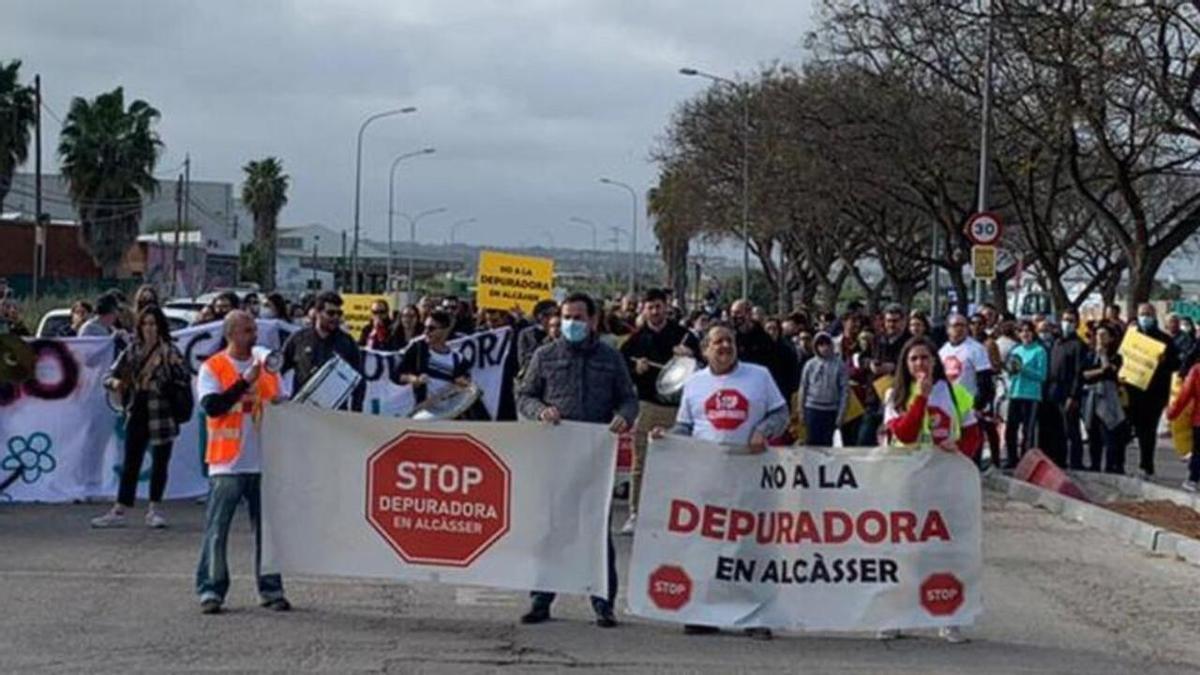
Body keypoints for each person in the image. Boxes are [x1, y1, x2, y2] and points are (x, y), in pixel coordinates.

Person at [649, 322, 787, 641]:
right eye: (717, 342)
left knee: (750, 547)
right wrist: (667, 437)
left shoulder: (759, 376)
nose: (724, 347)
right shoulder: (695, 383)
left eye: (729, 341)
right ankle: (703, 613)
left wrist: (763, 431)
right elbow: (686, 426)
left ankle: (756, 616)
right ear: (705, 350)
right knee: (705, 547)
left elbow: (780, 414)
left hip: (750, 475)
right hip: (706, 478)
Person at [516, 292, 638, 629]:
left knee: (597, 531)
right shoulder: (544, 355)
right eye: (567, 317)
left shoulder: (610, 358)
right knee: (552, 528)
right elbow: (524, 395)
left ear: (593, 320)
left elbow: (629, 399)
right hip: (556, 454)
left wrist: (623, 418)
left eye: (578, 317)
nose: (572, 323)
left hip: (595, 456)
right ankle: (541, 600)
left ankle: (603, 603)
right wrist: (541, 410)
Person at [881, 335, 979, 645]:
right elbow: (906, 434)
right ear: (905, 365)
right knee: (903, 552)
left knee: (943, 552)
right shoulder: (895, 395)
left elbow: (974, 433)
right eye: (914, 359)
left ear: (935, 361)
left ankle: (947, 617)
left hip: (943, 484)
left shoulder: (956, 393)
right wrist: (919, 398)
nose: (920, 364)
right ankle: (895, 616)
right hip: (905, 483)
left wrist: (959, 445)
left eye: (925, 358)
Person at [194, 310, 290, 614]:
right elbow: (213, 407)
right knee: (217, 529)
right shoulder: (214, 367)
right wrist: (242, 381)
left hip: (264, 461)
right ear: (230, 334)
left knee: (267, 532)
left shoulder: (267, 368)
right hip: (228, 464)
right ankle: (211, 589)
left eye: (254, 330)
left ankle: (271, 589)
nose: (254, 336)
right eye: (247, 331)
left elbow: (282, 403)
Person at [90, 306, 188, 529]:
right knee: (131, 461)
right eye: (145, 324)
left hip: (163, 410)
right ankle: (120, 508)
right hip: (138, 408)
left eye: (153, 324)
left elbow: (183, 378)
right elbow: (109, 376)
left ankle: (154, 508)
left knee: (160, 462)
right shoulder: (133, 350)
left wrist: (168, 380)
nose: (149, 328)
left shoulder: (170, 351)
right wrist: (117, 383)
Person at [618, 288, 697, 535]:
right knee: (641, 462)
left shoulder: (685, 336)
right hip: (647, 406)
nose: (655, 311)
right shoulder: (634, 341)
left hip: (680, 409)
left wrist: (691, 357)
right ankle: (636, 513)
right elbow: (621, 375)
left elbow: (705, 369)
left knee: (681, 463)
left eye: (659, 306)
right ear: (644, 309)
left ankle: (678, 514)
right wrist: (635, 372)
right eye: (650, 307)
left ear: (667, 307)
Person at [280, 291, 364, 411]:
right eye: (330, 313)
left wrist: (356, 410)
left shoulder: (347, 342)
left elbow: (359, 381)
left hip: (336, 413)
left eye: (339, 313)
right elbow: (278, 370)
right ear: (318, 313)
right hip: (303, 410)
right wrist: (279, 397)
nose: (336, 317)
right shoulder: (298, 339)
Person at [1125, 303, 1181, 478]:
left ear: (1154, 316)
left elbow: (1176, 364)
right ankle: (1124, 464)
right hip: (1133, 391)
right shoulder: (1131, 338)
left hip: (1154, 393)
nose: (1145, 317)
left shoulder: (1165, 340)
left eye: (1148, 314)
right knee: (1132, 429)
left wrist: (1164, 360)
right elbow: (1122, 360)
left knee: (1148, 431)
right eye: (1142, 314)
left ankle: (1146, 465)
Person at [730, 299, 799, 412]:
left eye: (738, 312)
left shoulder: (764, 340)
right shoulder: (732, 337)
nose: (734, 316)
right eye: (732, 313)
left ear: (748, 314)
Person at [394, 309, 471, 403]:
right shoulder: (418, 348)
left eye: (431, 328)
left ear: (445, 330)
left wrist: (462, 384)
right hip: (421, 411)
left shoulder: (458, 359)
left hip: (447, 413)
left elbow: (466, 386)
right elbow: (396, 374)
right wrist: (414, 379)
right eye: (425, 327)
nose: (426, 332)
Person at [1082, 325, 1127, 474]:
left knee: (1109, 431)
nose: (1100, 338)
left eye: (1104, 335)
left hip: (1108, 397)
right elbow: (1084, 375)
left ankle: (1111, 465)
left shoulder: (1116, 356)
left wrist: (1103, 356)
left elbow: (1110, 370)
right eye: (1098, 335)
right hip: (1091, 396)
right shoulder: (1088, 355)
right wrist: (1100, 371)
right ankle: (1095, 464)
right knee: (1093, 432)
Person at [1004, 321, 1048, 469]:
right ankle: (1011, 459)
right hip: (1015, 393)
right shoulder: (1016, 350)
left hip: (1031, 395)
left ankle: (1025, 461)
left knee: (1027, 431)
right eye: (1021, 331)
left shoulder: (1039, 351)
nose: (1025, 334)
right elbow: (1010, 371)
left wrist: (1023, 369)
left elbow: (1042, 376)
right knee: (1011, 429)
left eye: (1028, 331)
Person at [1048, 310, 1087, 469]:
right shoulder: (1057, 343)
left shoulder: (1079, 345)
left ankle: (1076, 462)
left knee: (1071, 430)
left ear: (1076, 323)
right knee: (1056, 430)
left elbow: (1079, 373)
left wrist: (1073, 395)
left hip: (1068, 391)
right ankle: (1059, 461)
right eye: (1064, 320)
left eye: (1070, 320)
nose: (1067, 323)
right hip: (1053, 390)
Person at [798, 333, 849, 447]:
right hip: (812, 408)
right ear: (816, 347)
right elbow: (803, 387)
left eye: (827, 344)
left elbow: (844, 391)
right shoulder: (810, 365)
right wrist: (801, 411)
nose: (824, 348)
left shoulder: (839, 365)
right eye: (820, 345)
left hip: (830, 410)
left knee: (827, 444)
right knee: (811, 442)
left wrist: (841, 414)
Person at [1167, 348, 1200, 491]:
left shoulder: (1196, 370)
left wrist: (1172, 413)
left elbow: (1184, 396)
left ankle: (1193, 480)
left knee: (1198, 451)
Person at [517, 299, 559, 375]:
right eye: (547, 315)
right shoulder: (527, 334)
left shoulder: (561, 334)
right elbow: (524, 361)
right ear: (538, 316)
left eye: (556, 314)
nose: (551, 318)